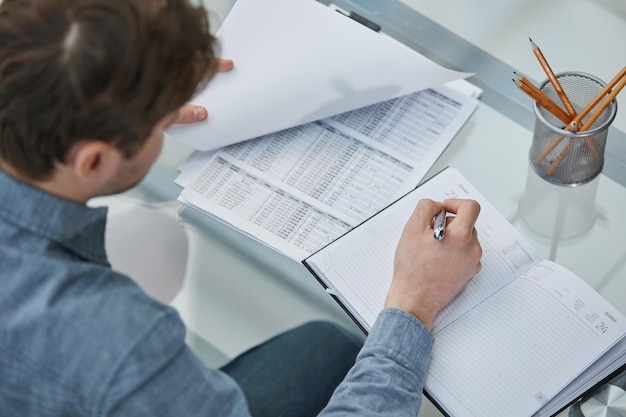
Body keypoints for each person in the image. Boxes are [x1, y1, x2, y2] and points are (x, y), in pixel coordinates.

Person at [0, 0, 482, 416]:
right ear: (95, 159)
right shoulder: (121, 343)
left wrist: (147, 82)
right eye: (157, 117)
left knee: (327, 347)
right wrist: (413, 305)